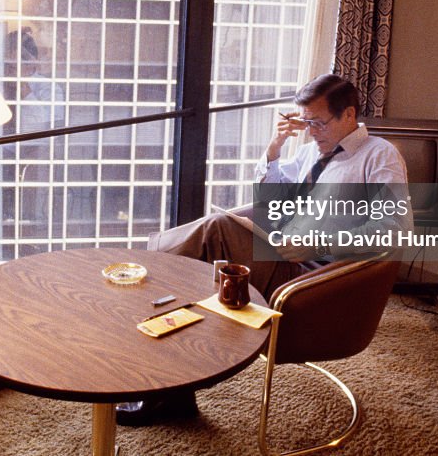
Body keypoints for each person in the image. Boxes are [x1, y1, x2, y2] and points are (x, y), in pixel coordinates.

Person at [116, 73, 412, 426]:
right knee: (197, 264)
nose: (311, 132)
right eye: (305, 123)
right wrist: (274, 149)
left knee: (216, 231)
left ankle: (143, 281)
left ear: (349, 114)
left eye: (318, 123)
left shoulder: (379, 155)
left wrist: (317, 244)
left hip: (315, 278)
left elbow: (394, 228)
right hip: (281, 254)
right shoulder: (311, 151)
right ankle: (173, 386)